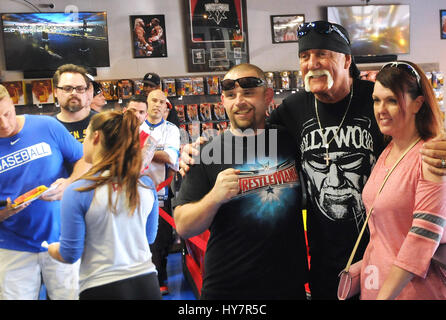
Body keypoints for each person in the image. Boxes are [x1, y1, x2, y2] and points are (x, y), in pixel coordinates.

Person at [179, 21, 446, 300]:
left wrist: (441, 143)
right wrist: (200, 149)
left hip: (389, 260)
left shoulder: (376, 97)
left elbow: (420, 128)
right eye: (305, 57)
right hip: (325, 262)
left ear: (346, 60)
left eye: (322, 54)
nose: (312, 63)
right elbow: (250, 132)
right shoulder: (294, 108)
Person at [174, 63, 309, 300]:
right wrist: (214, 198)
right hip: (229, 289)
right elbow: (184, 226)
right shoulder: (206, 153)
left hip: (289, 285)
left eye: (248, 93)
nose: (239, 101)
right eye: (231, 95)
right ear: (223, 102)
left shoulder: (290, 140)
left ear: (267, 96)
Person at [47, 110, 161, 300]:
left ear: (96, 137)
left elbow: (70, 253)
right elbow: (149, 237)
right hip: (147, 283)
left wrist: (49, 248)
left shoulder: (79, 191)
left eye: (86, 136)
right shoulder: (145, 184)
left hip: (101, 287)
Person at [360, 61, 446, 300]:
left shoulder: (432, 155)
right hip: (376, 283)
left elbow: (424, 235)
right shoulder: (388, 150)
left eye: (392, 100)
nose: (380, 109)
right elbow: (384, 233)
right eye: (377, 100)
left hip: (412, 292)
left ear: (418, 104)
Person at [0, 84, 87, 300]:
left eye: (6, 114)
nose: (4, 123)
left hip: (62, 237)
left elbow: (84, 160)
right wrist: (4, 213)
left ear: (13, 103)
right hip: (11, 247)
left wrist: (69, 182)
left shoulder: (46, 126)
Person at [142, 89, 180, 295]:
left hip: (161, 194)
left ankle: (160, 278)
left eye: (161, 102)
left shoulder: (171, 129)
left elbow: (170, 157)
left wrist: (142, 150)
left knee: (160, 241)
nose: (157, 105)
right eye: (153, 101)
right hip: (135, 192)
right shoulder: (134, 127)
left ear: (166, 106)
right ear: (147, 103)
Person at [53, 64, 96, 143]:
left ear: (86, 91)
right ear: (55, 92)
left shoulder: (103, 123)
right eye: (67, 88)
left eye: (80, 88)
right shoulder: (49, 128)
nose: (74, 93)